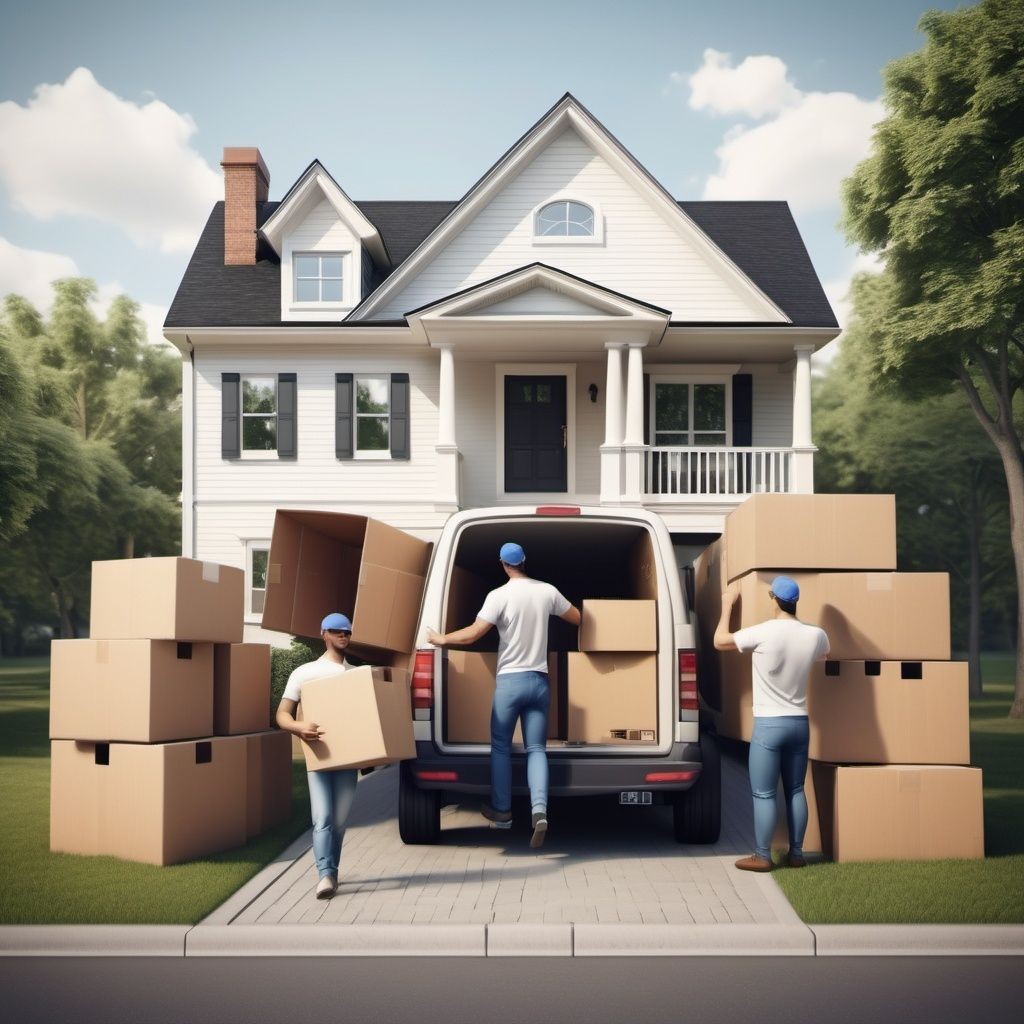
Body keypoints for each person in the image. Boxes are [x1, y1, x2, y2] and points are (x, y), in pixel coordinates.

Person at [426, 542, 580, 849]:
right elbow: (577, 618)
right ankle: (540, 811)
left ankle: (503, 811)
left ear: (503, 564)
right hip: (539, 681)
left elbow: (473, 633)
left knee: (500, 747)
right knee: (537, 748)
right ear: (525, 561)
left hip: (511, 682)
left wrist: (440, 638)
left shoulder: (498, 596)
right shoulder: (547, 591)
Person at [714, 575, 829, 872]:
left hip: (768, 725)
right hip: (799, 723)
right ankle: (797, 854)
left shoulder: (762, 632)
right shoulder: (816, 635)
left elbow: (719, 641)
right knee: (795, 789)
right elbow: (825, 655)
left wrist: (727, 605)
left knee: (763, 793)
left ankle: (762, 856)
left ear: (775, 600)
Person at [275, 612, 360, 899]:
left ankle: (332, 872)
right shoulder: (304, 672)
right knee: (323, 816)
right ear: (323, 633)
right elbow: (282, 715)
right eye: (337, 631)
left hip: (349, 759)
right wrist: (299, 727)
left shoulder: (355, 674)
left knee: (339, 819)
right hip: (319, 757)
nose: (343, 635)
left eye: (347, 631)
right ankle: (324, 875)